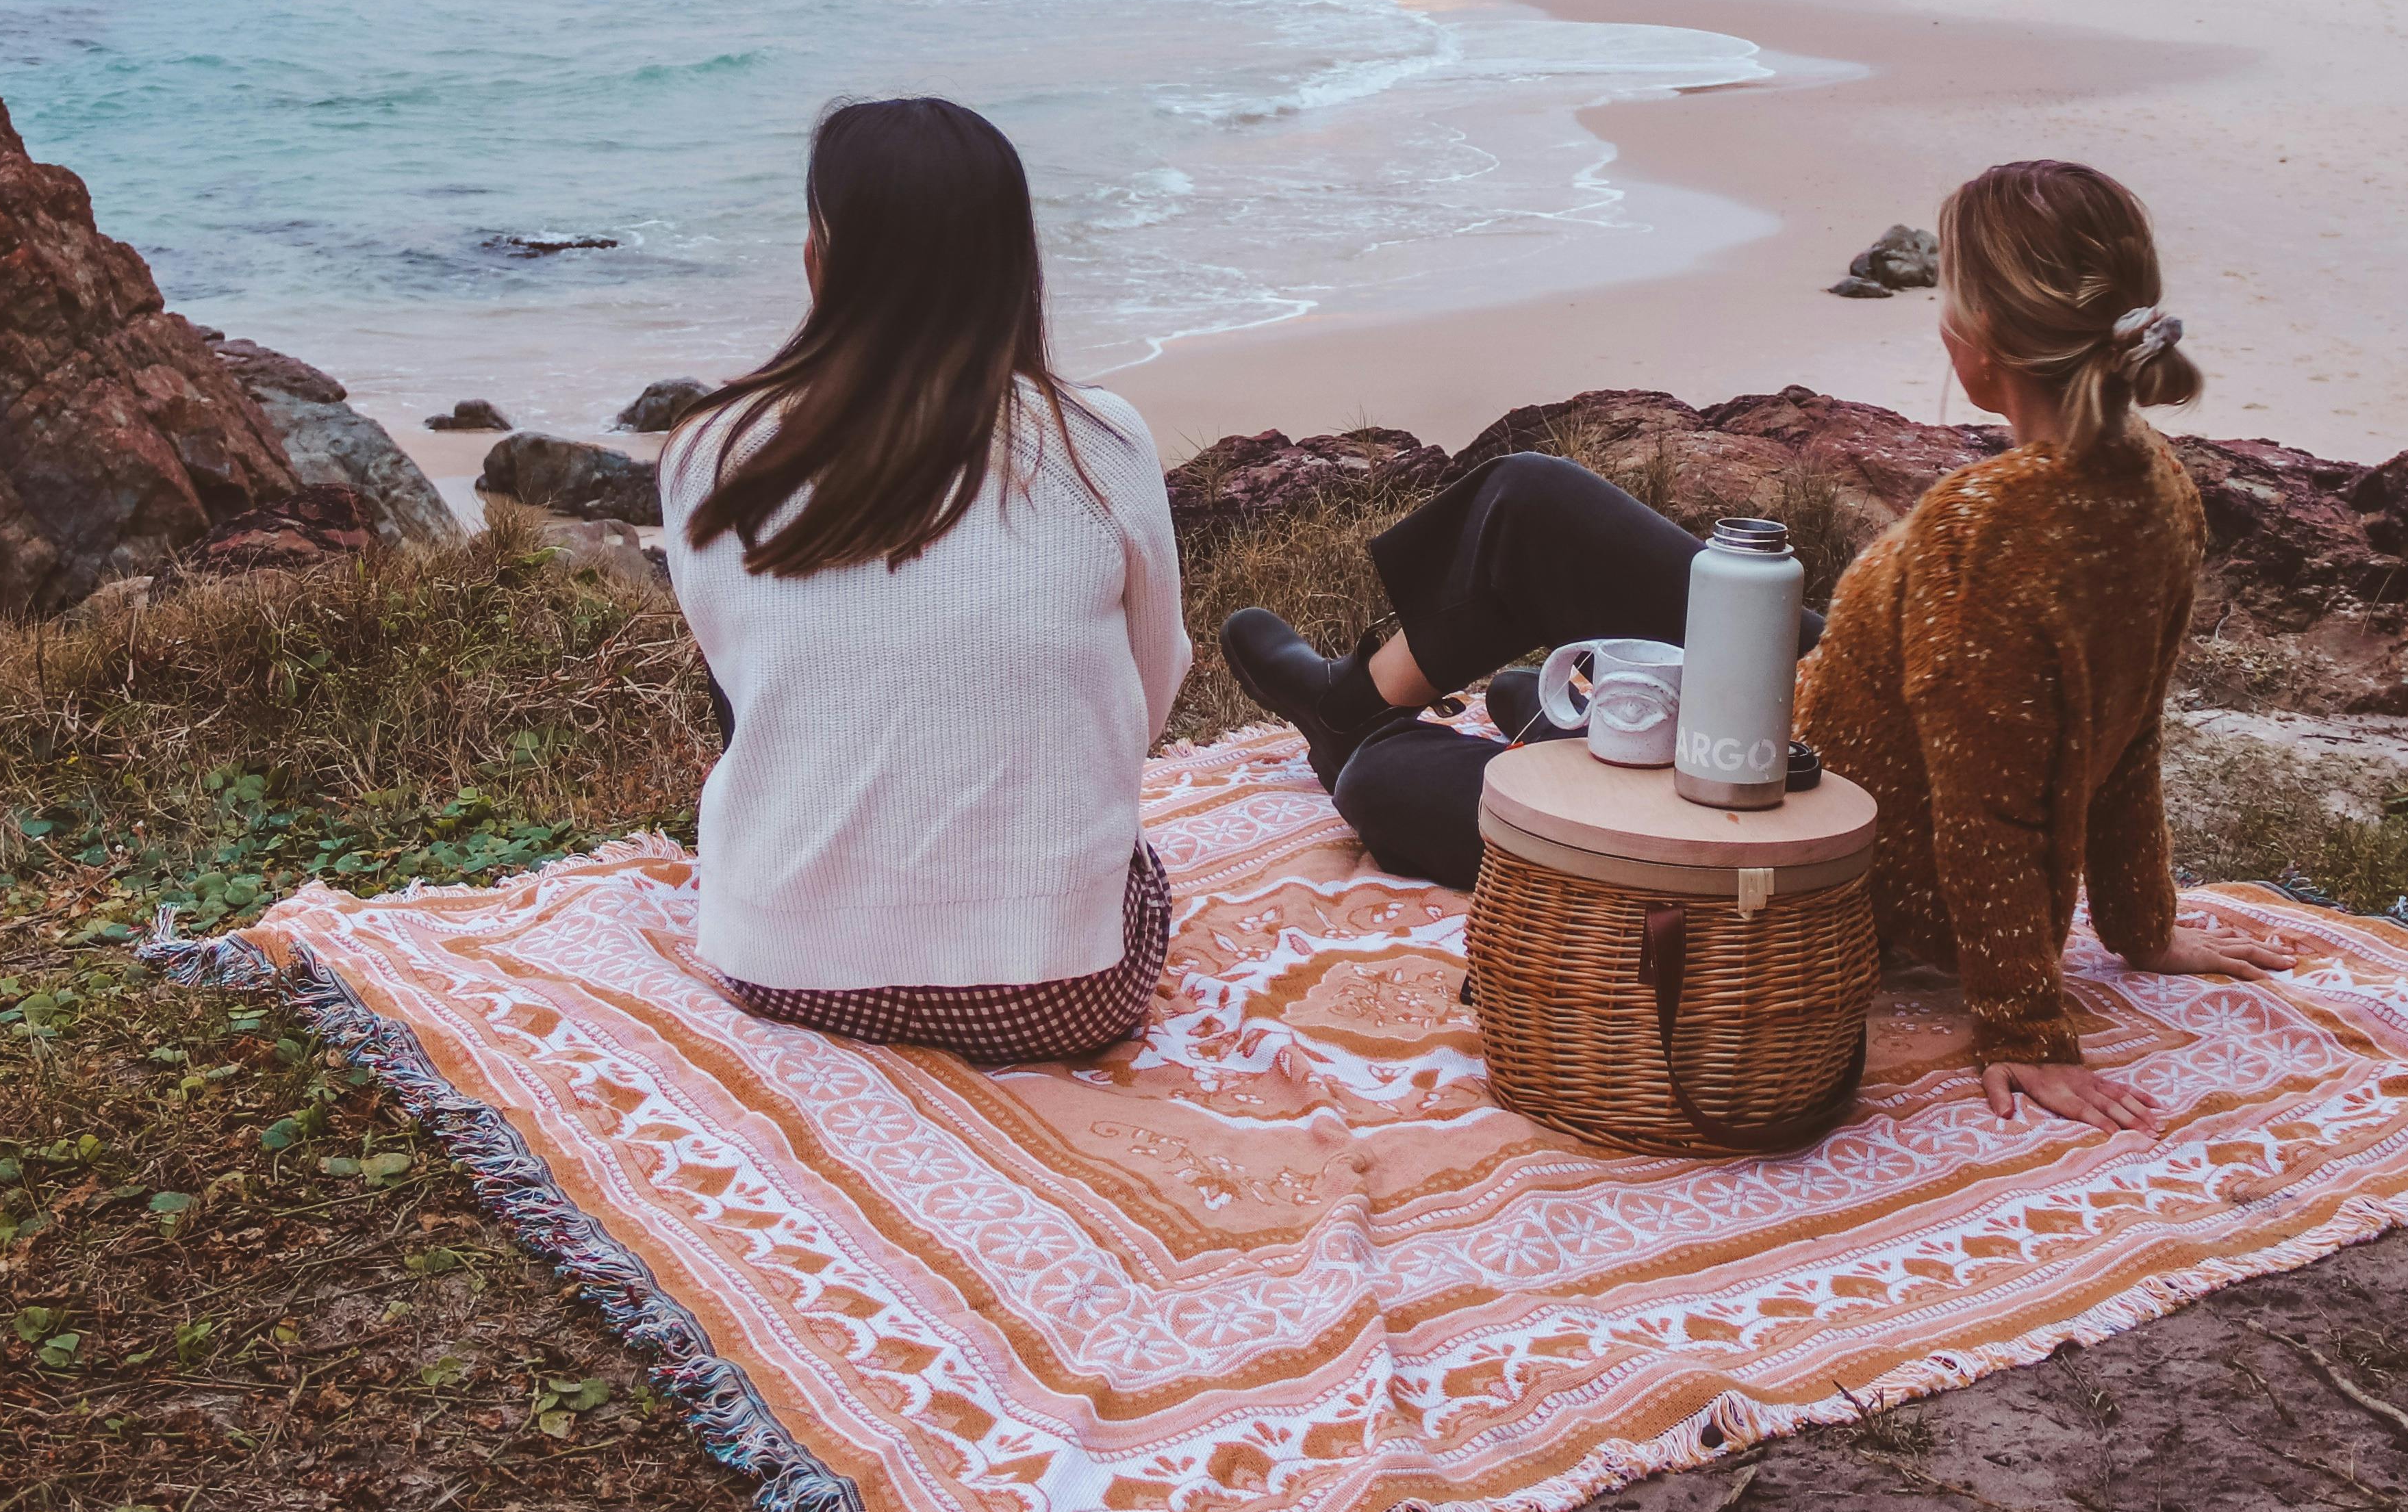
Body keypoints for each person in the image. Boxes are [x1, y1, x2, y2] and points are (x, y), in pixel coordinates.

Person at [1222, 158, 2290, 1131]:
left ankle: (1398, 723)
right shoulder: (2156, 484)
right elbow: (2130, 733)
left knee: (1378, 780)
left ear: (1983, 342)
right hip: (1813, 714)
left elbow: (1991, 807)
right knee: (1528, 497)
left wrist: (2026, 1028)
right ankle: (1411, 695)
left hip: (1794, 841)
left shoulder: (1990, 530)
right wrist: (2143, 927)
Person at [663, 97, 1189, 1066]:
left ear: (825, 258)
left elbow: (739, 677)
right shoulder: (1099, 441)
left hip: (784, 966)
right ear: (1011, 264)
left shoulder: (712, 447)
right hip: (1059, 991)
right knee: (1139, 869)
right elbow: (1150, 696)